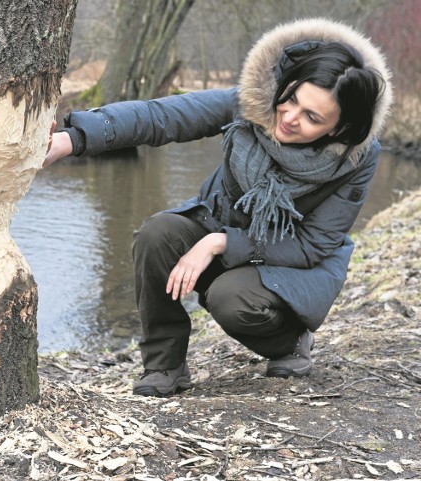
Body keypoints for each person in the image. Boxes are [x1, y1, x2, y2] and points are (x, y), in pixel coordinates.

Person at [44, 18, 392, 397]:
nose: (290, 117)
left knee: (230, 299)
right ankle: (165, 367)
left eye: (312, 117)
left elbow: (312, 245)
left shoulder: (355, 160)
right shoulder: (250, 103)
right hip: (220, 222)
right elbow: (162, 117)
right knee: (157, 235)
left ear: (339, 129)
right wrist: (74, 139)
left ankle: (290, 342)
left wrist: (218, 243)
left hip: (290, 262)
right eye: (291, 98)